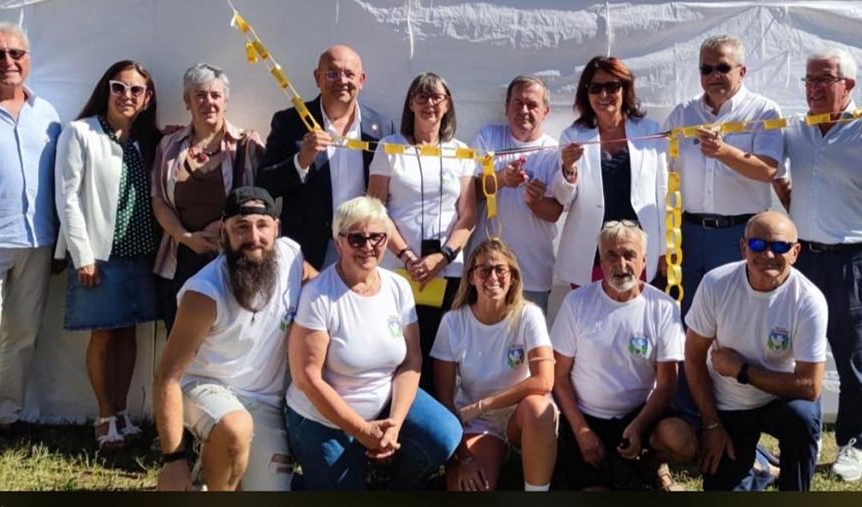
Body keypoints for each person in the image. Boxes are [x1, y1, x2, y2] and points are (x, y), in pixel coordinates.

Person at [285, 196, 463, 490]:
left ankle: (387, 478)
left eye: (377, 237)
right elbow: (307, 378)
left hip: (383, 406)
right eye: (357, 238)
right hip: (323, 420)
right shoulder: (318, 296)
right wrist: (363, 431)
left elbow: (411, 360)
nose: (368, 246)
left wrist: (394, 425)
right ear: (339, 242)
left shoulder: (398, 286)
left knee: (445, 434)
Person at [155, 186, 312, 491]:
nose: (254, 237)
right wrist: (173, 461)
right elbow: (167, 377)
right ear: (223, 232)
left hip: (264, 401)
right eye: (241, 227)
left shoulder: (291, 256)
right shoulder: (205, 291)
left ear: (276, 228)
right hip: (203, 387)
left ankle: (209, 467)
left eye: (262, 225)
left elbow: (319, 287)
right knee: (235, 427)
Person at [0, 22, 61, 472]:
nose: (8, 61)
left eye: (16, 53)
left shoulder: (48, 114)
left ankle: (6, 417)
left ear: (28, 59)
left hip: (36, 242)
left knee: (22, 335)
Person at [54, 60, 161, 451]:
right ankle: (104, 415)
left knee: (128, 332)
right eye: (119, 87)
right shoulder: (81, 132)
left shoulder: (146, 141)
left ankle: (122, 412)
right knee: (103, 333)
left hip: (140, 253)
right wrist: (82, 254)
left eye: (136, 90)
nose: (127, 96)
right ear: (107, 89)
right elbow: (67, 197)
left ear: (147, 98)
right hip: (99, 253)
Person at [684, 211, 828, 491]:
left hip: (781, 401)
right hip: (730, 404)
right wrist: (711, 424)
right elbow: (693, 355)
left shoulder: (809, 301)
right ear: (743, 248)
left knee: (802, 418)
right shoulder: (716, 284)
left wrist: (743, 371)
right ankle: (761, 464)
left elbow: (810, 386)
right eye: (758, 244)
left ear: (795, 252)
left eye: (780, 246)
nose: (768, 254)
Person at [550, 221, 695, 490]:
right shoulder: (577, 303)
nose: (621, 264)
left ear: (644, 261)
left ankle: (651, 461)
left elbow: (667, 384)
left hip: (639, 416)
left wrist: (639, 426)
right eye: (611, 255)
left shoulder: (663, 307)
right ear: (600, 261)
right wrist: (582, 431)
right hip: (587, 418)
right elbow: (558, 377)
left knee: (682, 440)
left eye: (629, 255)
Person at [367, 72, 477, 394]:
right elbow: (376, 209)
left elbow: (468, 215)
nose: (430, 103)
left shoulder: (461, 152)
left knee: (438, 355)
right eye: (422, 96)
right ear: (411, 104)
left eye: (437, 97)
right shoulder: (389, 147)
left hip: (447, 271)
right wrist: (407, 255)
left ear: (447, 105)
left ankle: (438, 418)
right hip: (398, 269)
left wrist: (442, 257)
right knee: (397, 351)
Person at [781, 49, 862, 482]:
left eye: (823, 80)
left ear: (848, 85)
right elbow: (775, 173)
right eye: (808, 80)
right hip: (802, 257)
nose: (812, 88)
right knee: (790, 349)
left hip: (851, 259)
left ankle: (855, 441)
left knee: (852, 356)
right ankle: (794, 437)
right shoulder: (796, 128)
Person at [662, 35, 783, 316]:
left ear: (742, 71)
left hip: (739, 234)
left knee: (737, 317)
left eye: (722, 68)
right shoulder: (683, 113)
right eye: (706, 69)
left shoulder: (764, 111)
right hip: (689, 233)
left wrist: (723, 152)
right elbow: (661, 168)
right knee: (690, 316)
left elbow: (768, 170)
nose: (714, 75)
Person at [432, 238, 557, 492]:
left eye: (500, 270)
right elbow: (444, 399)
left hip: (520, 416)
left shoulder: (529, 315)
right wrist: (464, 458)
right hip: (479, 423)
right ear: (471, 277)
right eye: (484, 270)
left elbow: (544, 381)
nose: (493, 277)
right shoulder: (453, 322)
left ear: (512, 277)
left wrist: (484, 404)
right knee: (469, 488)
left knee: (539, 406)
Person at [257, 45, 394, 269]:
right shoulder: (290, 122)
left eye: (349, 74)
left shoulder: (381, 128)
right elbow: (264, 185)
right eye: (332, 73)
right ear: (317, 77)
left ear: (361, 80)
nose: (342, 80)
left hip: (362, 246)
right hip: (308, 253)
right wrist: (301, 161)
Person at [152, 63, 263, 333]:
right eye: (200, 95)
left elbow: (261, 203)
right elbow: (159, 200)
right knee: (180, 341)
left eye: (215, 95)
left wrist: (224, 227)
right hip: (180, 260)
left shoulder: (247, 144)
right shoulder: (169, 146)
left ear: (225, 101)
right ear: (187, 101)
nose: (208, 102)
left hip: (232, 259)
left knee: (227, 339)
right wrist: (185, 237)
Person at [551, 56, 667, 289]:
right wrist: (568, 170)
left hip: (638, 250)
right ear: (586, 93)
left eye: (612, 87)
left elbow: (662, 193)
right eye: (595, 88)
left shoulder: (651, 131)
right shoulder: (572, 136)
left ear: (625, 88)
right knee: (593, 311)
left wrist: (665, 249)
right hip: (591, 252)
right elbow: (563, 199)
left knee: (635, 309)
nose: (603, 95)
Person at [468, 76, 561, 315]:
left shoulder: (554, 152)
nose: (524, 110)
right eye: (518, 103)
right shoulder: (488, 137)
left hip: (533, 274)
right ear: (507, 107)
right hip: (485, 272)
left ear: (545, 112)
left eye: (532, 105)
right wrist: (500, 180)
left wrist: (536, 202)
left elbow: (555, 212)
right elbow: (468, 193)